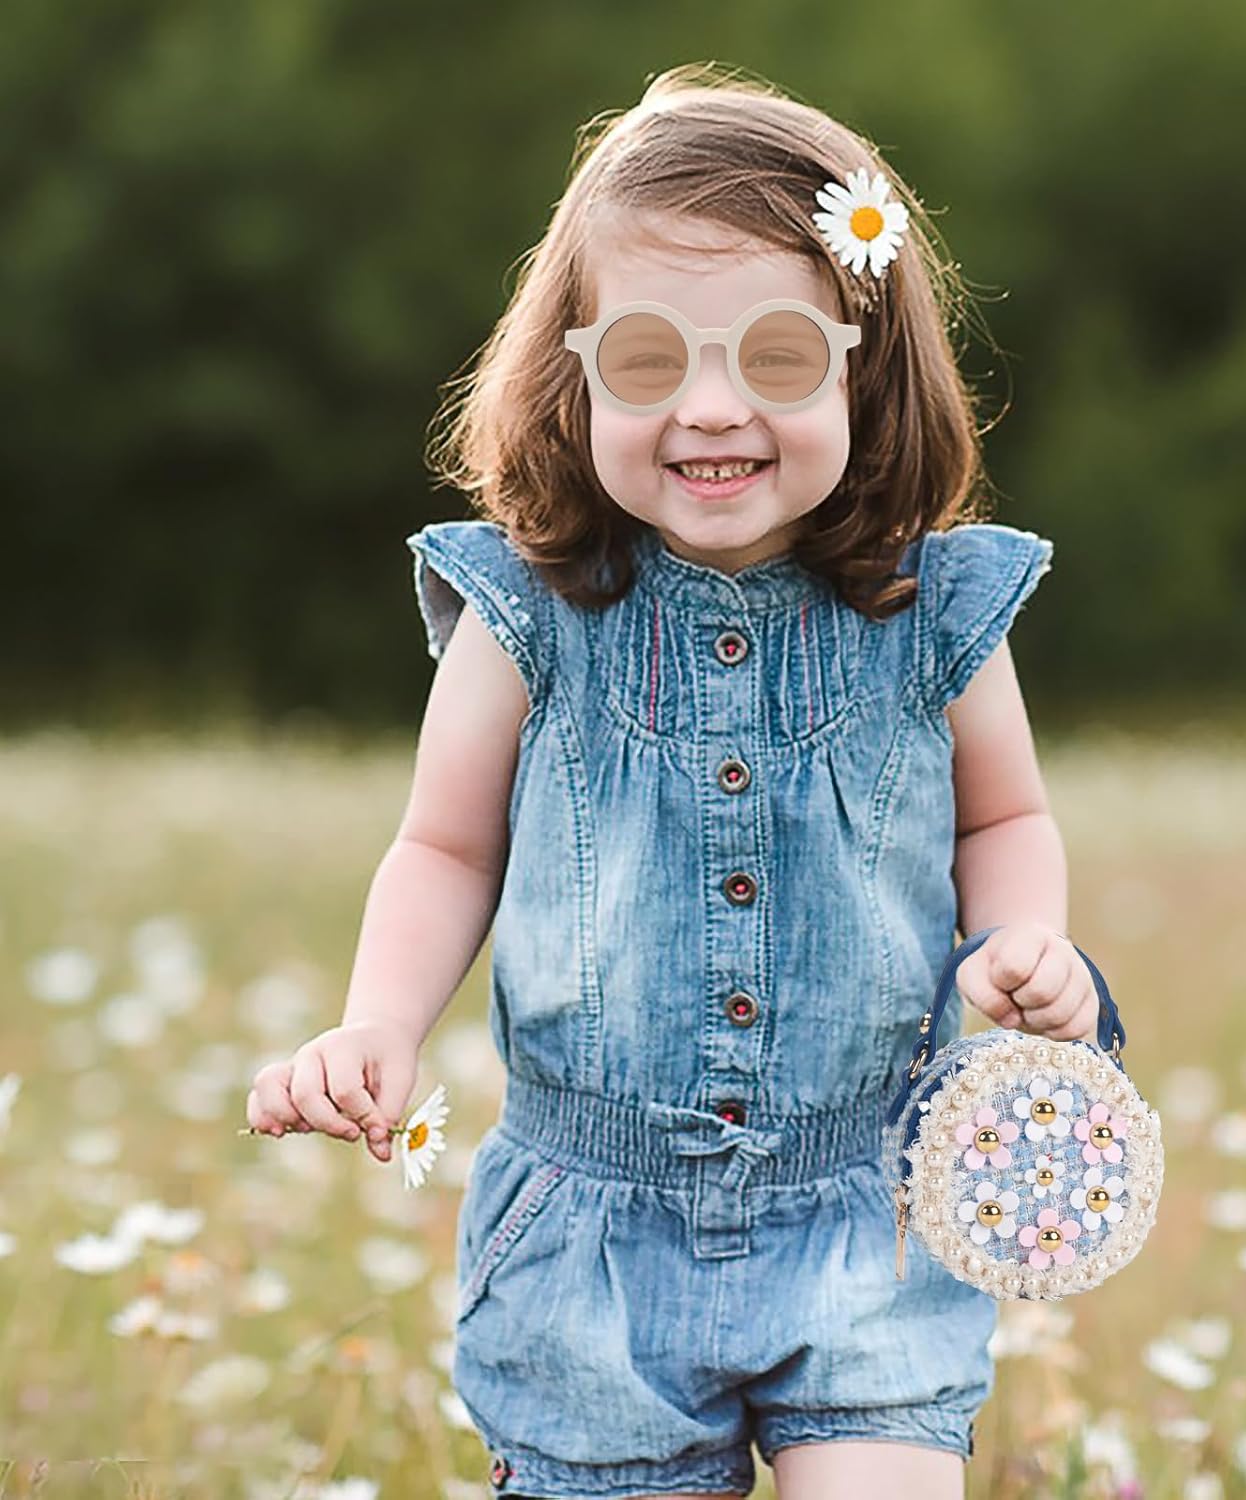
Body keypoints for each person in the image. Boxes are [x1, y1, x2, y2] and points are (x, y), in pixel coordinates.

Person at [245, 61, 1124, 1500]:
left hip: (870, 1207)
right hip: (590, 1246)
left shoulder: (934, 610)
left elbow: (1004, 815)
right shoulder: (526, 614)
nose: (711, 408)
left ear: (861, 364)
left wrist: (1020, 945)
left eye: (777, 357)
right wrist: (380, 1023)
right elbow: (448, 850)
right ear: (574, 369)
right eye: (650, 361)